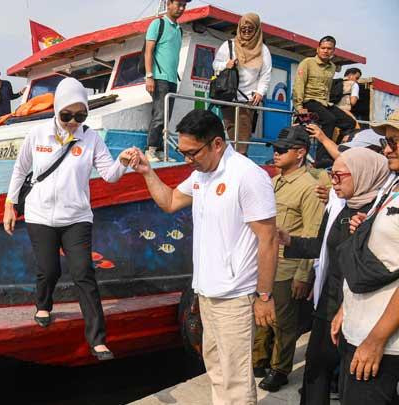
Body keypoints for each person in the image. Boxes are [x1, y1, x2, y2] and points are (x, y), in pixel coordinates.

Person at [130, 109, 278, 405]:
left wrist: (264, 296)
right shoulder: (201, 174)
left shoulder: (248, 176)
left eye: (192, 152)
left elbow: (269, 238)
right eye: (181, 151)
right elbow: (171, 201)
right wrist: (148, 171)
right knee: (215, 366)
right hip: (207, 291)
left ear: (218, 144)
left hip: (235, 295)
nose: (187, 159)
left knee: (235, 376)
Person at [3, 78, 134, 361]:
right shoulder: (37, 135)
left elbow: (109, 175)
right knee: (49, 270)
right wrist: (9, 204)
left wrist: (122, 161)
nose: (73, 121)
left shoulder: (91, 138)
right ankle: (43, 304)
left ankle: (98, 340)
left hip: (76, 217)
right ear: (57, 110)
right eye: (67, 115)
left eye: (80, 115)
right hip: (40, 215)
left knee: (83, 272)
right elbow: (19, 170)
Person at [279, 148, 391, 405]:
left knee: (351, 382)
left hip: (358, 308)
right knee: (315, 371)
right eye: (332, 175)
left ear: (363, 174)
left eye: (340, 176)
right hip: (327, 302)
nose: (333, 182)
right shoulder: (340, 206)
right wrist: (289, 241)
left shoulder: (378, 213)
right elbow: (323, 246)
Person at [333, 112, 399, 404]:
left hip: (384, 344)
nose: (386, 149)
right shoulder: (391, 186)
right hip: (360, 329)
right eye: (386, 141)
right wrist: (346, 308)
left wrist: (376, 340)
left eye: (395, 142)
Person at [253, 126, 325, 392]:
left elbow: (312, 232)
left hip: (287, 265)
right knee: (262, 319)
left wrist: (303, 275)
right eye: (275, 148)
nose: (276, 153)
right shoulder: (272, 183)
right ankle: (258, 359)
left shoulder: (309, 188)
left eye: (283, 149)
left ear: (301, 153)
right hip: (265, 264)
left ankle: (279, 369)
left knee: (284, 323)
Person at [212, 12, 272, 156]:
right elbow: (215, 64)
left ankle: (241, 163)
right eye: (243, 28)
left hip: (248, 100)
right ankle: (234, 163)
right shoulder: (228, 45)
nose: (246, 32)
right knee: (231, 132)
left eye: (250, 29)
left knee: (243, 138)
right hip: (228, 97)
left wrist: (260, 92)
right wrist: (226, 64)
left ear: (257, 29)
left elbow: (265, 74)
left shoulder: (263, 50)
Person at [293, 36, 355, 169]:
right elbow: (299, 84)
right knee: (330, 120)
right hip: (309, 101)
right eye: (323, 48)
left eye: (329, 49)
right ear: (318, 49)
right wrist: (298, 106)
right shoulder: (307, 62)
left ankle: (336, 151)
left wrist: (333, 107)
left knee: (349, 122)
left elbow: (327, 90)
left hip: (324, 103)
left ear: (333, 51)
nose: (326, 51)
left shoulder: (332, 67)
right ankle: (321, 159)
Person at [144, 0, 189, 162]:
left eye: (184, 5)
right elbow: (148, 51)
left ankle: (161, 151)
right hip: (159, 78)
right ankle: (150, 150)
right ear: (168, 4)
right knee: (159, 114)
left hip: (171, 79)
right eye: (179, 4)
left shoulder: (179, 30)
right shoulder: (158, 24)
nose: (182, 8)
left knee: (166, 117)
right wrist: (149, 76)